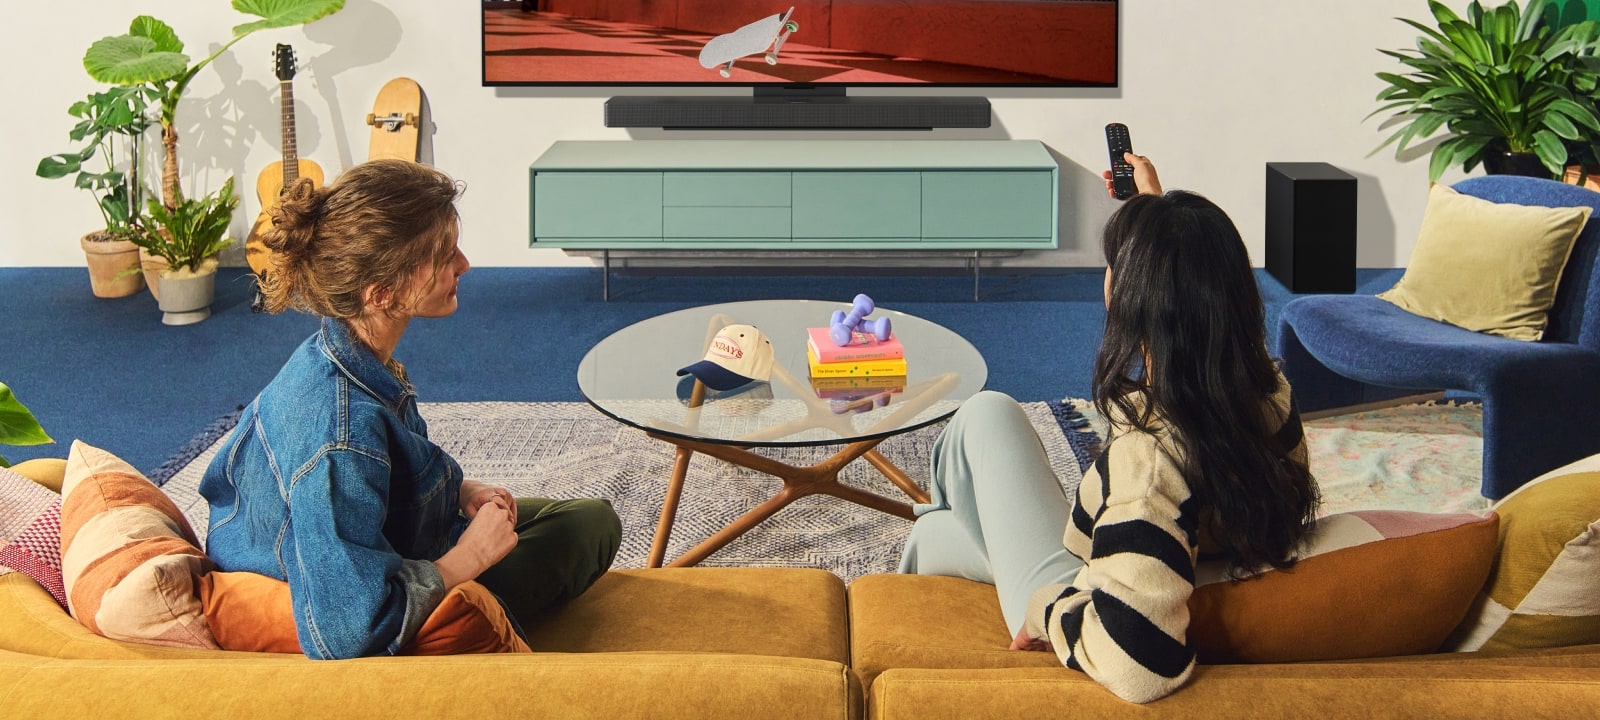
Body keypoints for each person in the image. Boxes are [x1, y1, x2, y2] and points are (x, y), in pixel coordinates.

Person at [896, 152, 1320, 703]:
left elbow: (1140, 665)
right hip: (1199, 555)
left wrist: (1048, 612)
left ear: (1128, 298)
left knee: (984, 414)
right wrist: (1151, 208)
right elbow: (1196, 290)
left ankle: (921, 569)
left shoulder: (1147, 462)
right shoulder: (1267, 391)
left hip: (1102, 581)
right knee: (938, 534)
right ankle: (933, 535)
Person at [200, 159, 622, 660]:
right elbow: (351, 631)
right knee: (586, 529)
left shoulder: (338, 354)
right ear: (382, 292)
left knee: (577, 516)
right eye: (444, 255)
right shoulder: (339, 436)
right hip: (353, 589)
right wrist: (468, 559)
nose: (463, 264)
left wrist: (460, 490)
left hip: (379, 543)